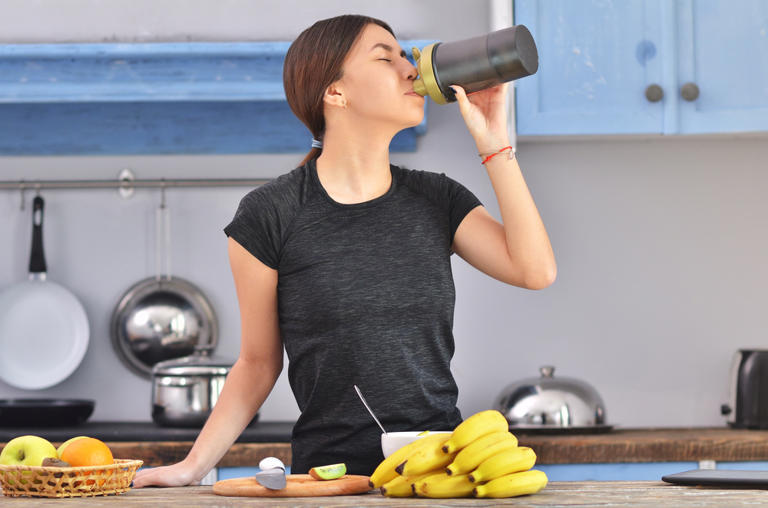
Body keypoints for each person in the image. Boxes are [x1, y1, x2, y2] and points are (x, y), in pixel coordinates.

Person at [132, 13, 555, 487]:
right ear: (335, 92)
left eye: (404, 55)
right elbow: (257, 363)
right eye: (385, 57)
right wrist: (193, 467)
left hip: (441, 476)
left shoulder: (438, 198)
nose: (410, 68)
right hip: (325, 482)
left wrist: (495, 144)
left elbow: (534, 270)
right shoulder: (270, 213)